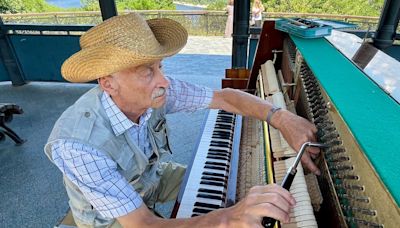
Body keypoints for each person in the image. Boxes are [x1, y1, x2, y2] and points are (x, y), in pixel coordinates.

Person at [44, 12, 320, 228]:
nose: (164, 80)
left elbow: (224, 97)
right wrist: (227, 218)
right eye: (146, 72)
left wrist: (281, 118)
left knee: (227, 189)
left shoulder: (157, 91)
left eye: (160, 66)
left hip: (150, 179)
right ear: (108, 83)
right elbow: (144, 224)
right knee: (226, 211)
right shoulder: (77, 145)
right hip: (107, 221)